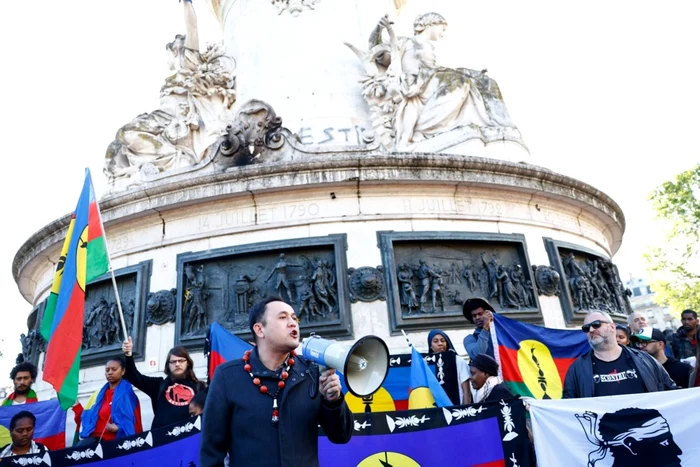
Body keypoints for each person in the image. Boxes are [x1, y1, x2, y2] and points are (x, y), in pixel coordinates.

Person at [200, 297, 353, 466]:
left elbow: (341, 435)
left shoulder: (312, 373)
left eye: (294, 318)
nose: (292, 323)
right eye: (283, 317)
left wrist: (333, 402)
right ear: (259, 329)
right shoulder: (227, 376)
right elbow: (211, 451)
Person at [563, 312, 677, 398]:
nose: (591, 330)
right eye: (586, 328)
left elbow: (672, 392)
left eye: (596, 324)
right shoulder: (577, 369)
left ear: (612, 327)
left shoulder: (645, 359)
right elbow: (568, 406)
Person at [122, 337, 205, 429]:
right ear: (168, 365)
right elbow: (133, 376)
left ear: (188, 363)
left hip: (187, 438)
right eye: (173, 362)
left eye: (181, 361)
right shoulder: (158, 384)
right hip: (162, 439)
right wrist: (128, 355)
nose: (177, 364)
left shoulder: (199, 387)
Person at [76, 358, 143, 445]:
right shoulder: (97, 395)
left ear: (123, 371)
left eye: (114, 369)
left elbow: (134, 424)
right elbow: (85, 417)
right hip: (93, 440)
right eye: (107, 370)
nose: (110, 372)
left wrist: (119, 428)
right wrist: (76, 406)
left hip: (115, 443)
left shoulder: (127, 395)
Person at [427, 330, 471, 405]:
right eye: (435, 341)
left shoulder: (458, 361)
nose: (440, 343)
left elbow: (466, 391)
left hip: (457, 407)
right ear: (430, 345)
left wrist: (465, 410)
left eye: (443, 340)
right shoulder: (427, 364)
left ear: (447, 343)